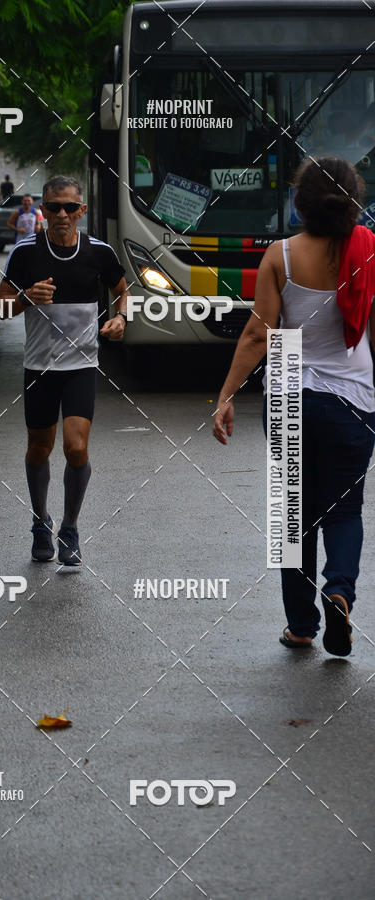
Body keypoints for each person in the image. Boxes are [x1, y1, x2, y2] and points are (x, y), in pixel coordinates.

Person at [213, 156, 375, 657]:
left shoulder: (279, 255)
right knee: (344, 510)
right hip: (354, 396)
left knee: (293, 516)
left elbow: (260, 333)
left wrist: (225, 396)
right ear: (355, 202)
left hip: (288, 390)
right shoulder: (369, 253)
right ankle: (340, 591)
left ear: (298, 202)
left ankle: (302, 625)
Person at [0, 175, 130, 565]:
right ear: (42, 209)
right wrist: (25, 297)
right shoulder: (25, 253)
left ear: (81, 211)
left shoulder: (99, 253)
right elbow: (0, 307)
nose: (61, 215)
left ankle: (69, 528)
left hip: (81, 365)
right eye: (53, 207)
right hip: (39, 366)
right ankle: (41, 522)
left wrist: (121, 318)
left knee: (76, 447)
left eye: (70, 207)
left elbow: (124, 291)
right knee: (40, 447)